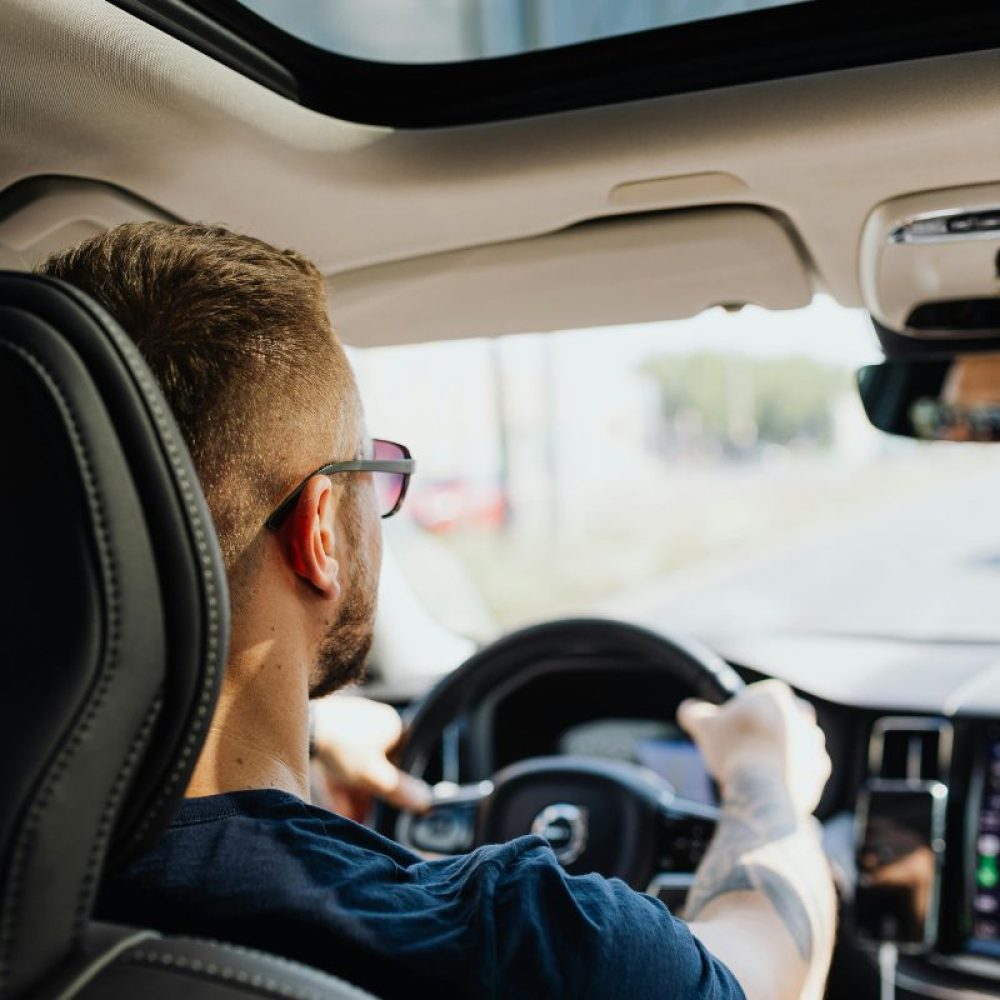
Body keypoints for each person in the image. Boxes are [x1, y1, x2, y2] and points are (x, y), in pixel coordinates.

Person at [40, 223, 836, 1000]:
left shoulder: (34, 887)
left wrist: (300, 743)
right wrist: (766, 779)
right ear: (320, 532)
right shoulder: (523, 946)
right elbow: (772, 963)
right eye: (373, 473)